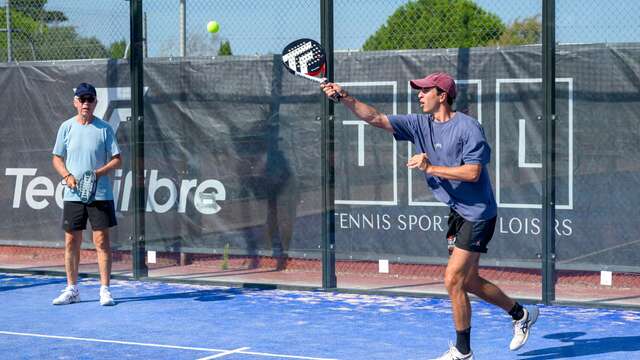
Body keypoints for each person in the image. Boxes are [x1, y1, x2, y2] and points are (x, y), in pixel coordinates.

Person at [321, 72, 538, 360]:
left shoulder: (468, 128)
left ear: (442, 95)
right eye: (419, 91)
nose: (419, 95)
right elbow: (376, 118)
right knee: (468, 281)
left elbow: (473, 173)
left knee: (452, 280)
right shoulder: (419, 124)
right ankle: (521, 313)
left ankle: (463, 352)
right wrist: (344, 97)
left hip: (479, 214)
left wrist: (430, 168)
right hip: (457, 212)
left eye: (425, 90)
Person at [51, 83, 121, 306]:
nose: (86, 103)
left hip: (99, 194)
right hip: (73, 195)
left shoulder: (104, 129)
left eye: (90, 99)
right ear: (75, 102)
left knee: (101, 240)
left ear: (95, 103)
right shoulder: (66, 127)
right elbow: (56, 157)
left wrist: (97, 173)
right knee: (71, 241)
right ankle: (72, 290)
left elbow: (117, 158)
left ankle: (105, 290)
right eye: (82, 99)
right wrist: (67, 176)